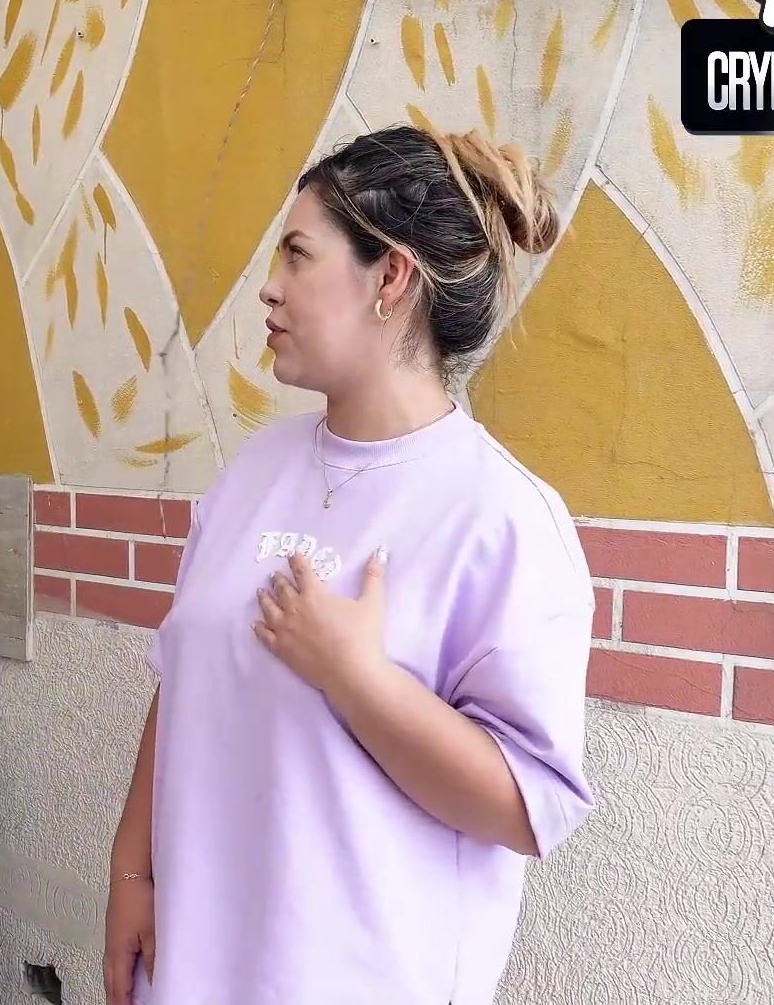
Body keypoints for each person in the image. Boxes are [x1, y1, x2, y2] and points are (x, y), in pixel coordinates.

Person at [102, 125, 595, 1005]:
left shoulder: (501, 516)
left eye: (298, 255)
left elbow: (527, 808)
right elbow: (180, 681)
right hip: (192, 968)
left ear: (390, 279)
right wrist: (131, 873)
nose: (269, 286)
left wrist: (356, 679)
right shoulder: (254, 470)